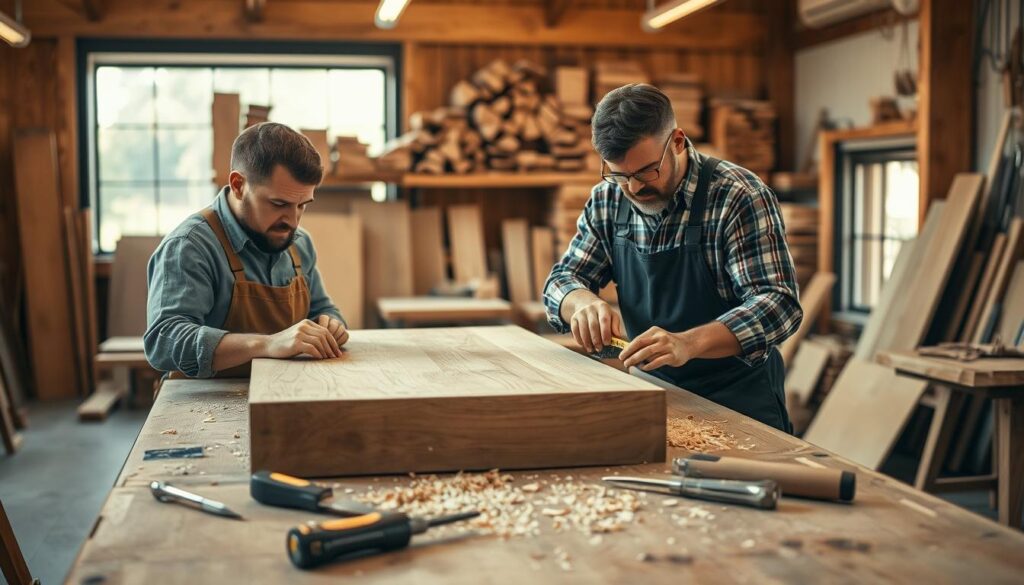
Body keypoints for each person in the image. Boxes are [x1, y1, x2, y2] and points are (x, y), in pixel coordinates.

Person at [542, 84, 802, 432]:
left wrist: (688, 343)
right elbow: (560, 282)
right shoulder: (608, 200)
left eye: (647, 171)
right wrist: (582, 304)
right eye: (619, 175)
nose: (634, 189)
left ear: (677, 141)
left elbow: (779, 304)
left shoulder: (738, 196)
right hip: (652, 393)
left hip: (738, 401)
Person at [145, 122, 347, 378]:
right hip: (206, 403)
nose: (293, 222)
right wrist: (267, 344)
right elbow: (164, 341)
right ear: (239, 185)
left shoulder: (299, 243)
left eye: (302, 205)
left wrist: (331, 324)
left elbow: (323, 309)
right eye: (278, 203)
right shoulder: (190, 246)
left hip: (284, 390)